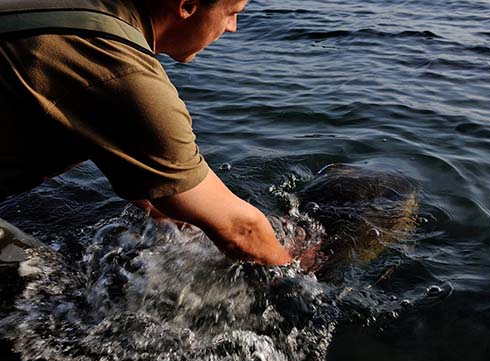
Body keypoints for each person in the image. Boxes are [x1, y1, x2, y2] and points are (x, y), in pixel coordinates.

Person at [0, 0, 298, 266]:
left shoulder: (73, 14)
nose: (233, 27)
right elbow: (241, 230)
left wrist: (193, 227)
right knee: (48, 285)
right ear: (187, 6)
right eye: (231, 13)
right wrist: (295, 265)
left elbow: (147, 178)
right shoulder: (124, 75)